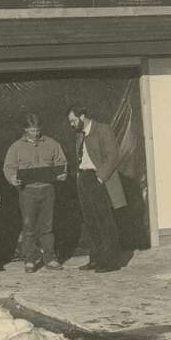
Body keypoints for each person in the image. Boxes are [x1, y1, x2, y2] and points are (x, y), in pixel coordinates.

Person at [3, 113, 68, 273]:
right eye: (32, 130)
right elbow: (8, 167)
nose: (36, 133)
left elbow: (62, 162)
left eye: (38, 130)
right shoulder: (16, 147)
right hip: (27, 192)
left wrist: (63, 173)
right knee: (29, 226)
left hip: (48, 190)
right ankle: (30, 260)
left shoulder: (52, 144)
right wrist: (12, 179)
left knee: (47, 226)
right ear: (25, 129)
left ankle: (50, 259)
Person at [67, 104, 127, 273]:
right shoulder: (79, 135)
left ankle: (110, 262)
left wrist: (99, 178)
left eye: (73, 120)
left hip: (98, 179)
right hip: (84, 179)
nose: (71, 124)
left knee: (104, 222)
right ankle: (96, 259)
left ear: (83, 116)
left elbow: (113, 156)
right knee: (90, 221)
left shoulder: (103, 130)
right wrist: (80, 176)